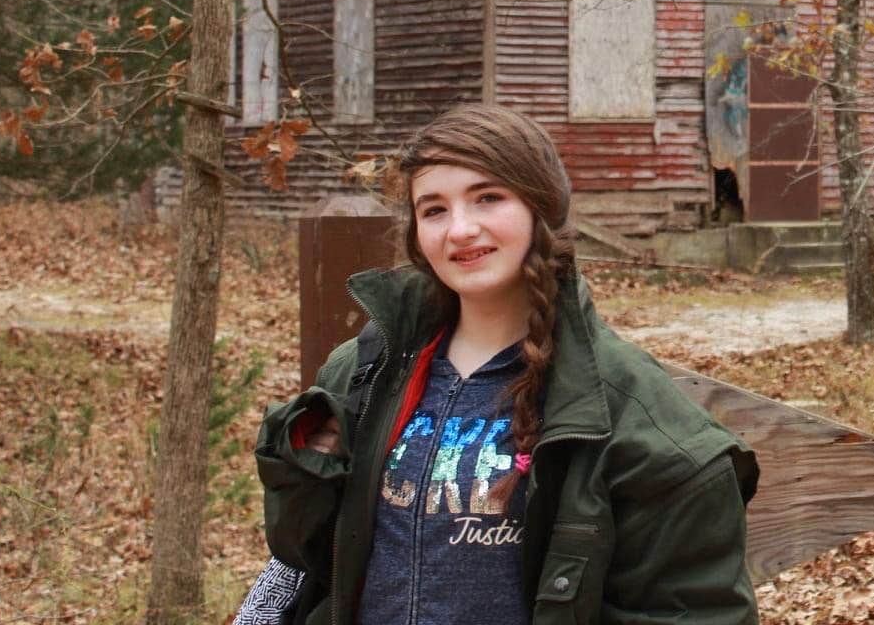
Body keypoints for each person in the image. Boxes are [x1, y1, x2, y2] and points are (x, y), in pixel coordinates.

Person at [251, 103, 758, 625]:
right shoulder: (365, 370)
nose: (460, 229)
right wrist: (302, 464)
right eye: (434, 210)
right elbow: (302, 558)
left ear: (541, 208)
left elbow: (694, 609)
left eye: (488, 198)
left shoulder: (639, 421)